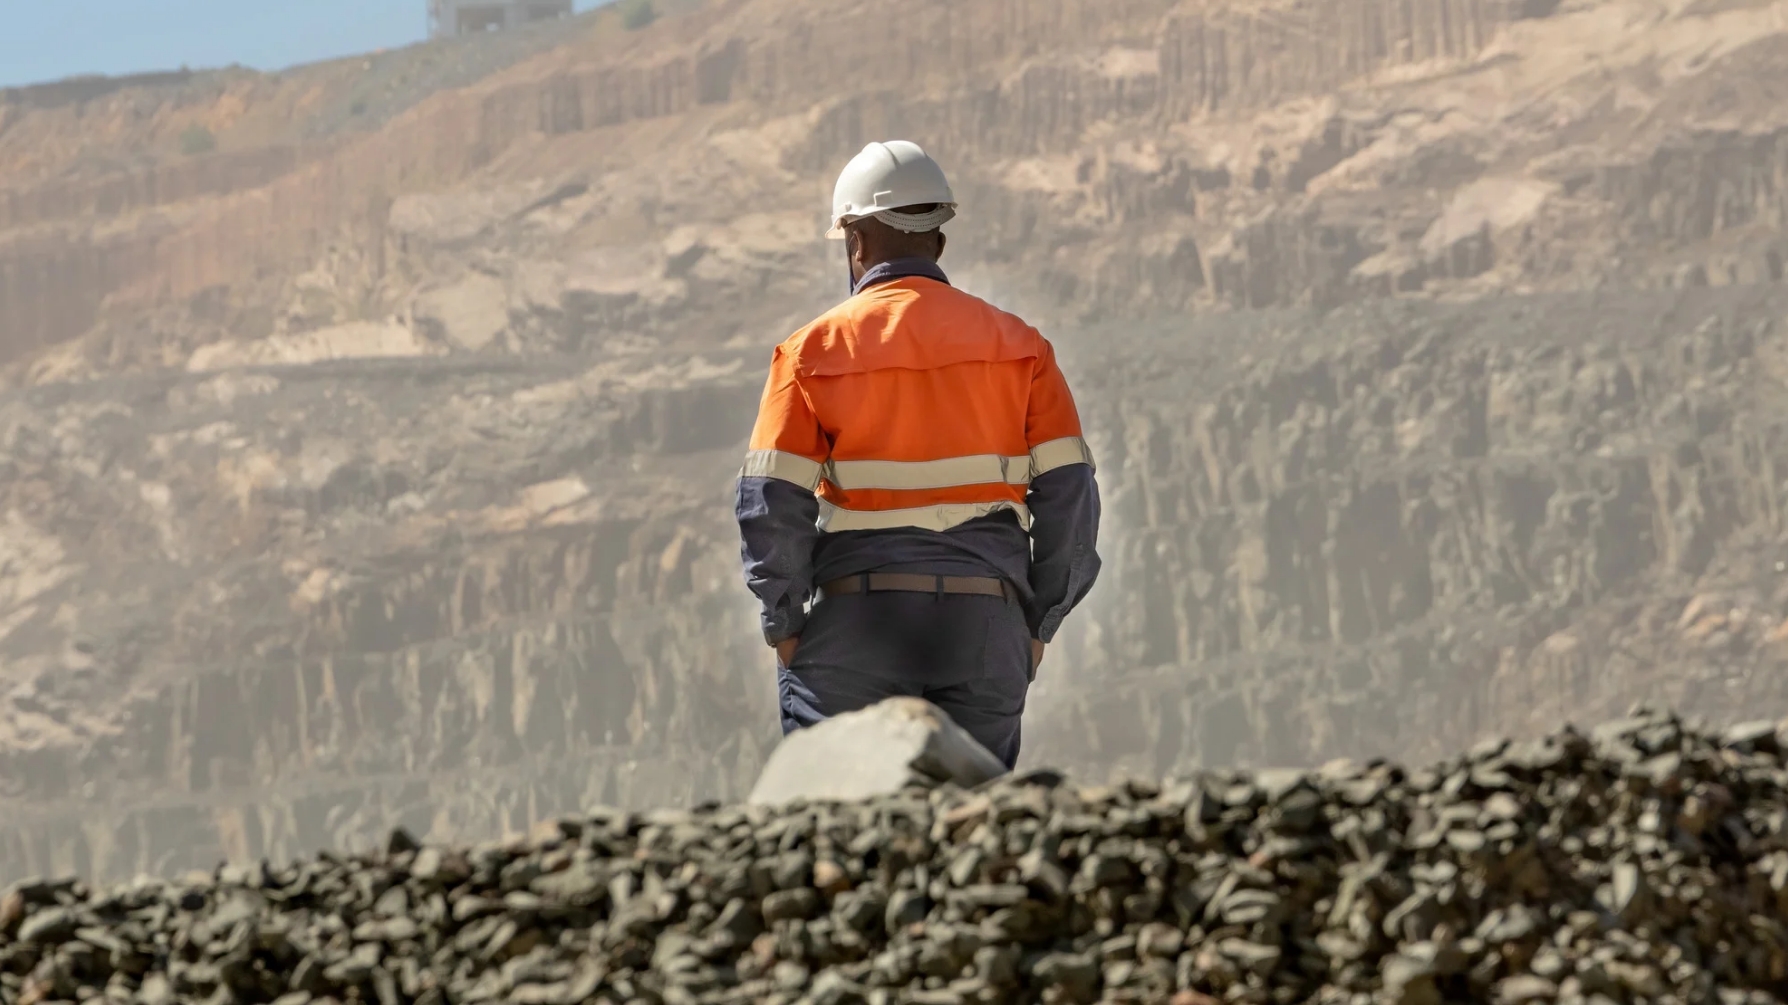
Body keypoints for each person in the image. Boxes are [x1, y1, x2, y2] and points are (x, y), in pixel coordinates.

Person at [734, 140, 1101, 769]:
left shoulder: (810, 353)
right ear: (938, 239)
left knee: (844, 828)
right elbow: (1070, 498)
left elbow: (771, 505)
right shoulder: (1020, 347)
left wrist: (785, 623)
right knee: (970, 835)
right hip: (986, 627)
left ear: (855, 239)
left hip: (857, 623)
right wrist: (1039, 622)